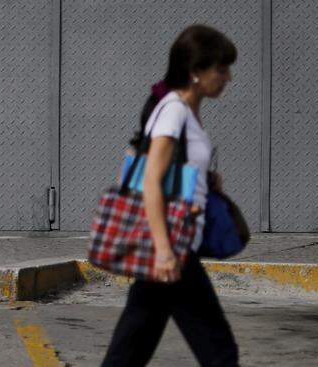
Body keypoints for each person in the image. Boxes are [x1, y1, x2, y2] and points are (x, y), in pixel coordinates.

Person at [101, 24, 240, 367]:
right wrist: (164, 252)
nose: (227, 77)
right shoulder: (174, 110)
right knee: (219, 350)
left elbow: (171, 171)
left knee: (131, 348)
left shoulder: (185, 110)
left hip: (174, 244)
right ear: (195, 72)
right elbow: (151, 181)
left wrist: (207, 181)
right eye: (220, 69)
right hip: (171, 247)